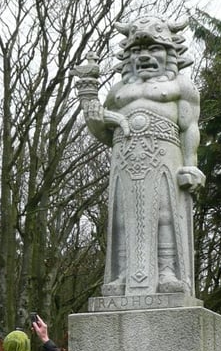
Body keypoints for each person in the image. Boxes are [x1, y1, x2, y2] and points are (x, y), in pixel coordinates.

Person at [76, 15, 205, 298]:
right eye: (136, 51)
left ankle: (167, 271)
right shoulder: (117, 92)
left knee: (165, 214)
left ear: (170, 52)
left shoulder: (181, 86)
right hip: (124, 157)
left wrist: (190, 165)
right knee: (123, 217)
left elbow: (189, 127)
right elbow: (104, 133)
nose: (145, 56)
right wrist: (89, 103)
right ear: (127, 56)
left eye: (154, 49)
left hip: (165, 155)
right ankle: (123, 274)